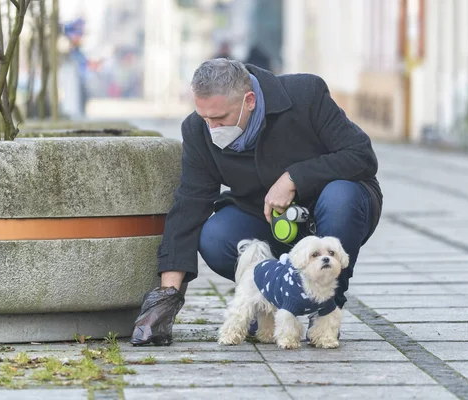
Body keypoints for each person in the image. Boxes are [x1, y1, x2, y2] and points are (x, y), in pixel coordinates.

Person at [130, 58, 382, 346]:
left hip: (332, 207)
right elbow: (190, 202)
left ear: (249, 101)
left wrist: (294, 178)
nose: (212, 128)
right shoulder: (198, 131)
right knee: (215, 236)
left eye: (220, 119)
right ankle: (267, 302)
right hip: (265, 219)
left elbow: (361, 155)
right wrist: (167, 296)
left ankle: (325, 312)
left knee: (341, 197)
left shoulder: (305, 94)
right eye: (205, 118)